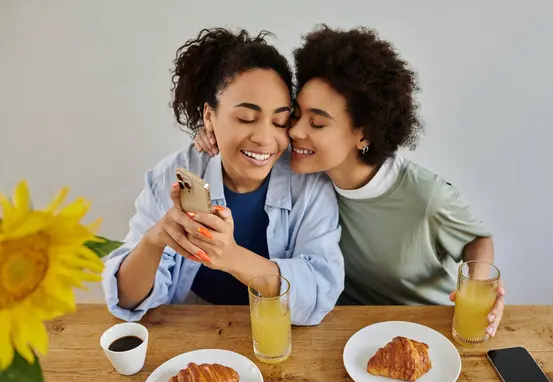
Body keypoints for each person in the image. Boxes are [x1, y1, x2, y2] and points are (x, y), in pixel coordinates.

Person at [194, 25, 505, 337]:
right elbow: (250, 132)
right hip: (341, 329)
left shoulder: (425, 196)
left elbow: (476, 239)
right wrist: (211, 132)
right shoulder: (307, 172)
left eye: (316, 123)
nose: (294, 131)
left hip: (426, 329)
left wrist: (478, 287)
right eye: (294, 116)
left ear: (364, 134)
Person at [102, 28, 344, 326]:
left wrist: (231, 257)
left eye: (280, 121)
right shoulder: (173, 175)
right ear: (208, 117)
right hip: (194, 326)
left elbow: (320, 292)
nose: (265, 138)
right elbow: (125, 301)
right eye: (245, 118)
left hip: (278, 330)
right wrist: (155, 240)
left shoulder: (309, 184)